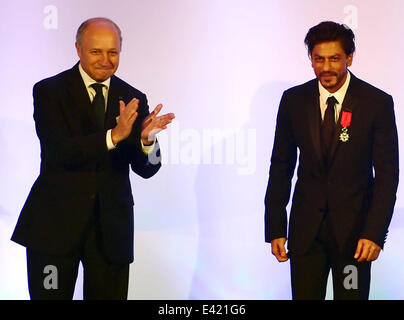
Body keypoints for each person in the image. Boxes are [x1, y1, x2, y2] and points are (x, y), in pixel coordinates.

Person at [11, 17, 175, 300]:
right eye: (96, 51)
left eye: (112, 52)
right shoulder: (49, 91)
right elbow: (59, 151)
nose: (105, 60)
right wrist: (113, 135)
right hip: (54, 228)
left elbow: (146, 169)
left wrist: (147, 140)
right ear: (78, 49)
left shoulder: (133, 96)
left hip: (111, 231)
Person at [264, 21, 399, 299]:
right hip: (305, 236)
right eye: (319, 59)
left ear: (349, 58)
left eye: (334, 58)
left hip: (354, 240)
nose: (326, 67)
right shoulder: (293, 101)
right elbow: (281, 166)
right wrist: (276, 226)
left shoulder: (376, 103)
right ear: (311, 60)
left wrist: (374, 233)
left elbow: (387, 176)